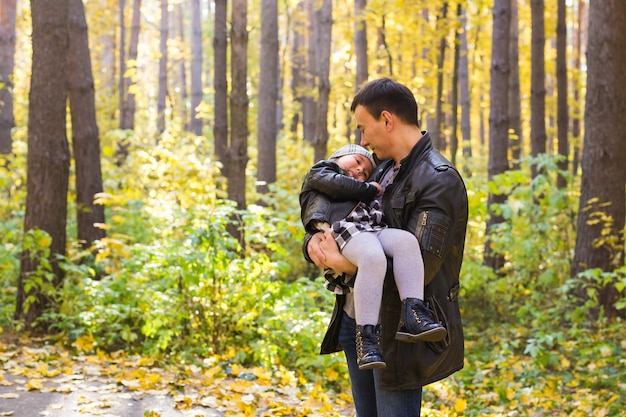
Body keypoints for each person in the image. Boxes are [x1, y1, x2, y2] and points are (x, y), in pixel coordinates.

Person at [302, 78, 468, 417]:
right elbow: (334, 208)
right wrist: (312, 242)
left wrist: (343, 261)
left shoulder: (438, 179)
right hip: (355, 321)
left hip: (397, 334)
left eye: (364, 128)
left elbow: (421, 266)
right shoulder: (376, 168)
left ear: (387, 121)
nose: (361, 141)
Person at [299, 144, 446, 370]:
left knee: (406, 242)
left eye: (366, 171)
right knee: (372, 256)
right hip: (343, 228)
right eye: (357, 162)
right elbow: (336, 186)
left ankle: (414, 311)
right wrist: (369, 187)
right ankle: (367, 339)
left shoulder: (361, 185)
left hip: (368, 228)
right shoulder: (321, 171)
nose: (359, 171)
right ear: (339, 155)